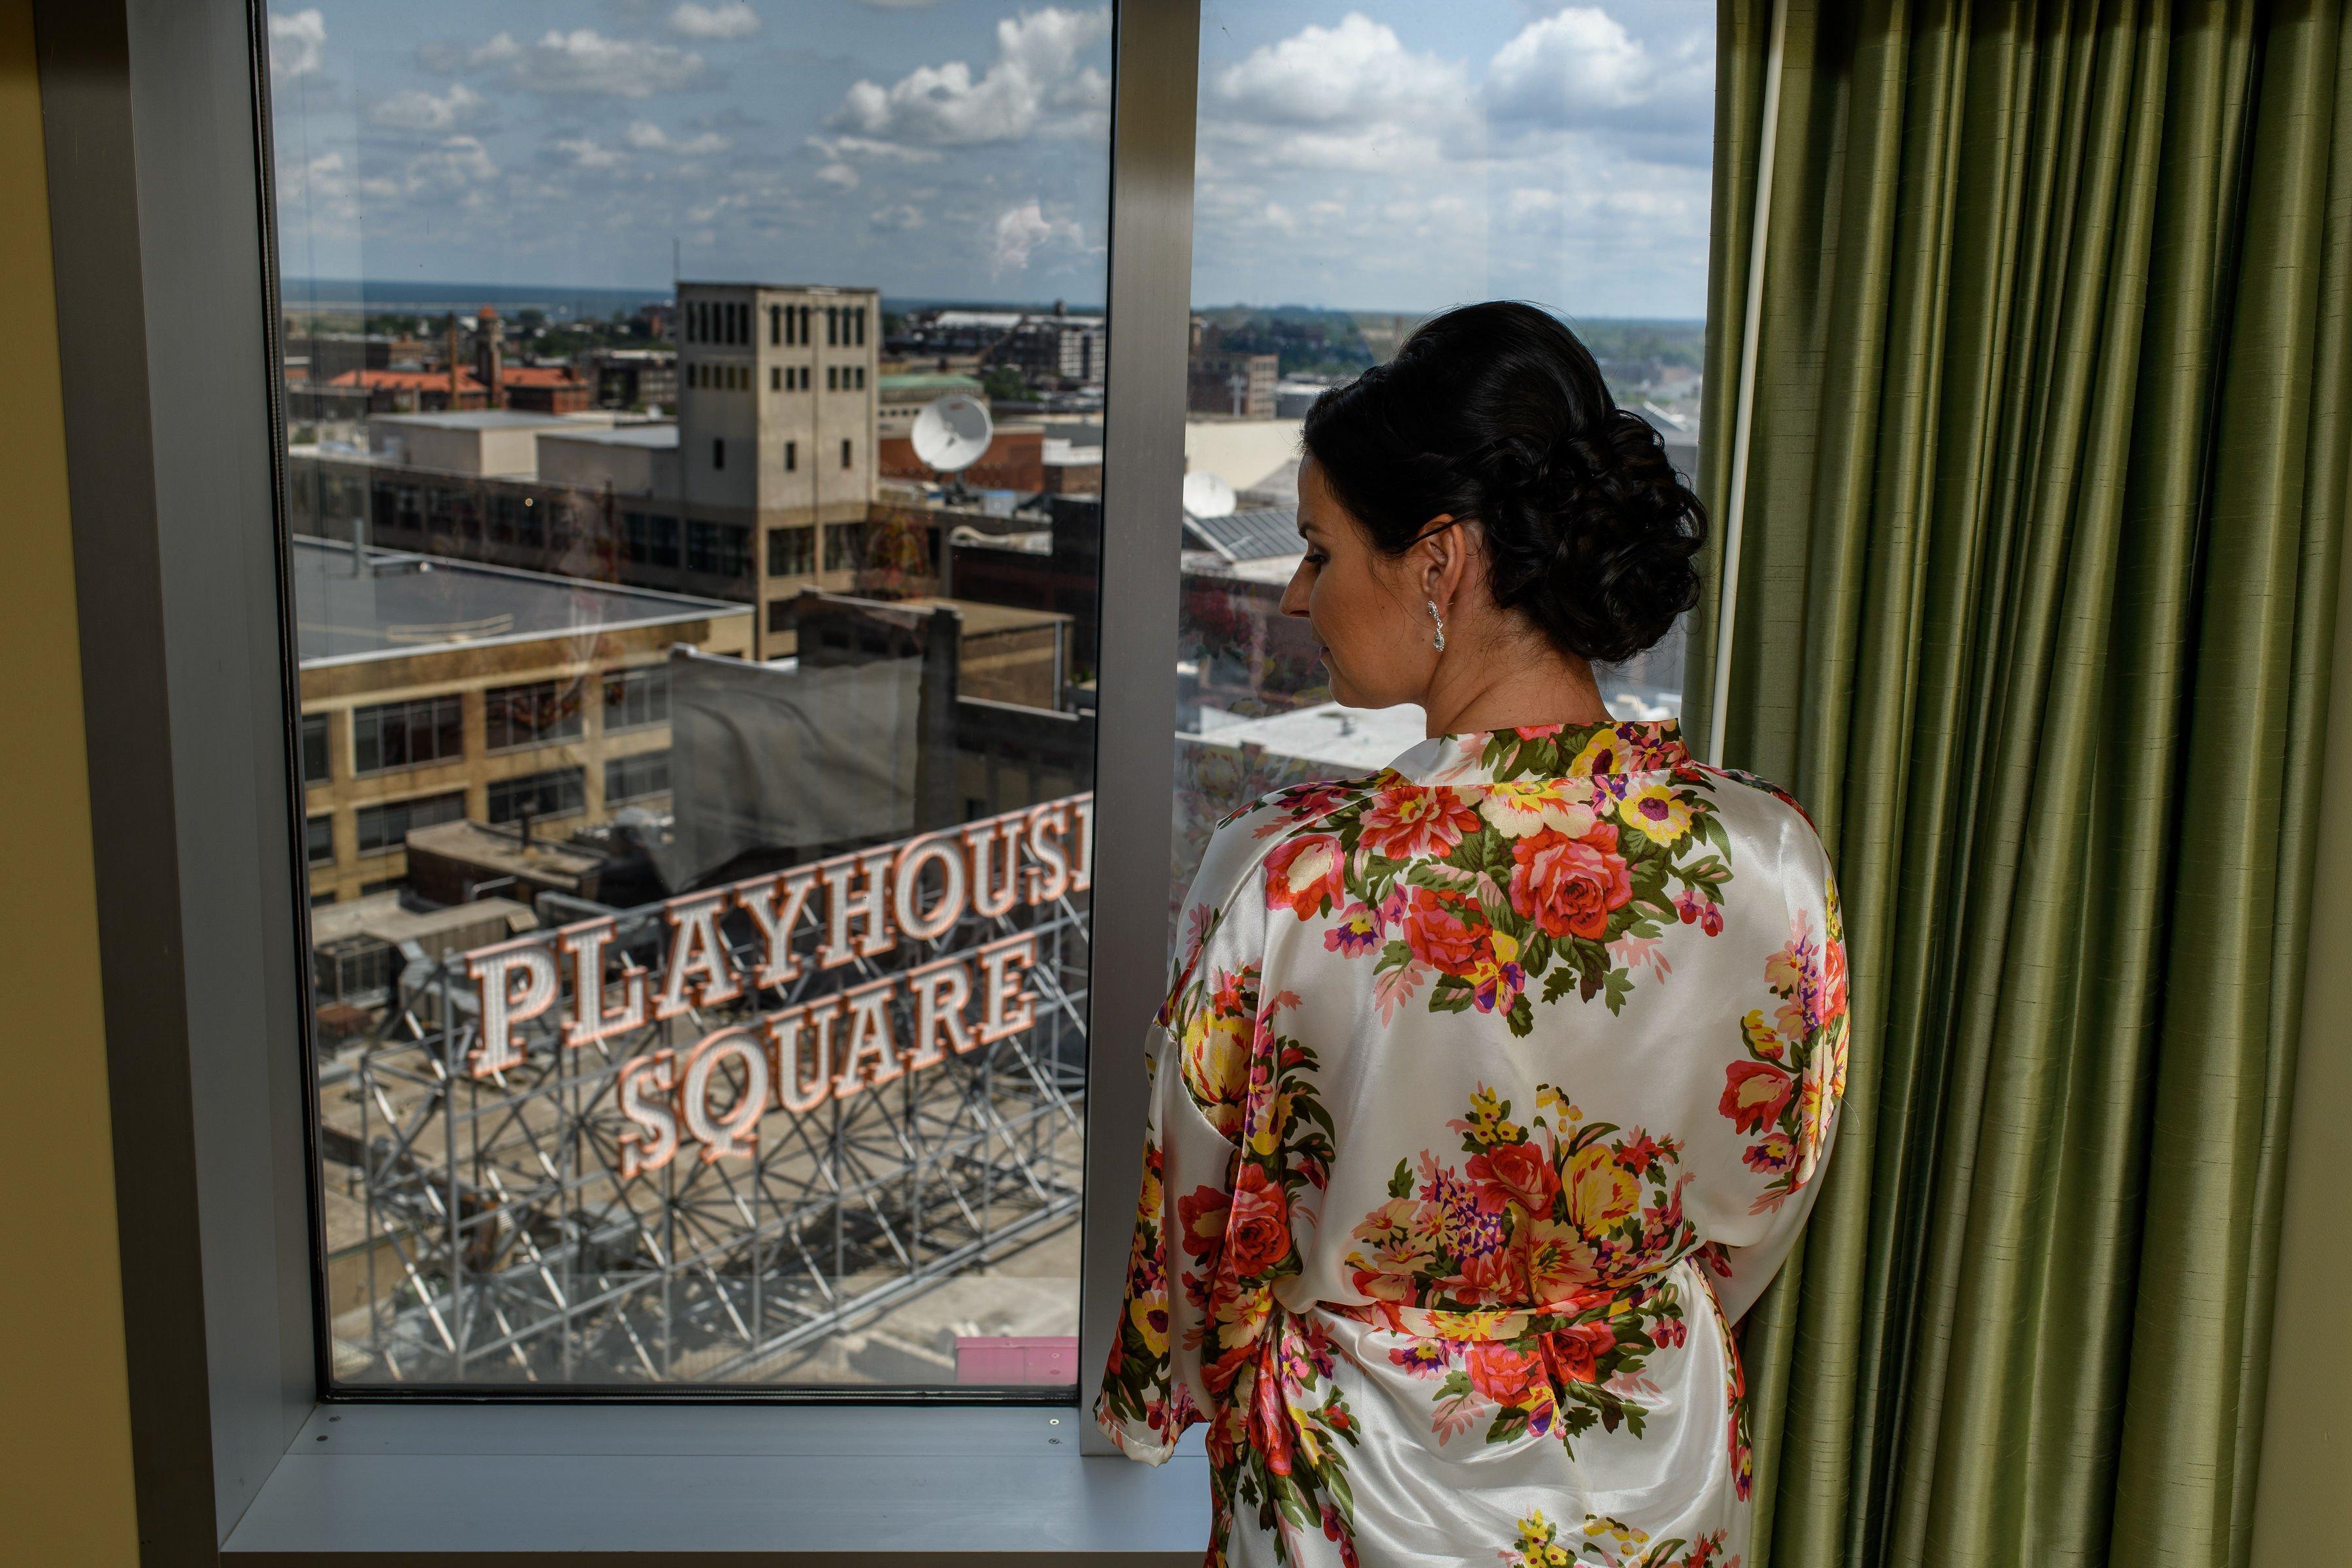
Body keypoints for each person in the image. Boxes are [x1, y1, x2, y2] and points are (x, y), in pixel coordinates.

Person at [1094, 301, 1848, 1568]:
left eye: (1322, 553)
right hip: (1662, 1475)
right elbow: (1761, 1198)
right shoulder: (1767, 857)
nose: (1292, 594)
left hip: (1364, 1503)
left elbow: (1203, 1242)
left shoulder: (1289, 880)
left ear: (1438, 563)